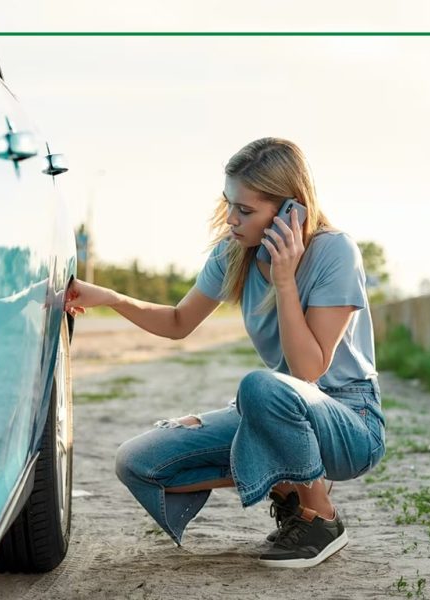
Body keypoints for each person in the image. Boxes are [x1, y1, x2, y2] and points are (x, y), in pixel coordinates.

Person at [63, 137, 386, 568]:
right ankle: (287, 486)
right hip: (276, 410)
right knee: (137, 461)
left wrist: (285, 281)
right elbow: (179, 322)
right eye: (229, 204)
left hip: (349, 421)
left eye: (246, 210)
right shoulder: (234, 253)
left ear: (292, 210)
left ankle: (320, 518)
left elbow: (308, 369)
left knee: (261, 386)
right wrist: (115, 299)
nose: (232, 220)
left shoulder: (334, 252)